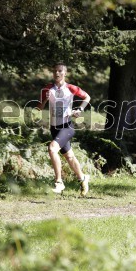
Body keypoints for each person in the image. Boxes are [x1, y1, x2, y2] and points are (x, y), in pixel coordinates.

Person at [37, 62, 91, 195]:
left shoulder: (71, 88)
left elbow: (87, 97)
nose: (57, 73)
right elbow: (39, 107)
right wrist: (45, 100)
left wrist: (80, 109)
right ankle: (83, 178)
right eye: (55, 71)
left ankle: (59, 182)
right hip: (54, 128)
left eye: (60, 71)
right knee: (70, 157)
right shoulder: (47, 89)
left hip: (67, 127)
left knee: (52, 148)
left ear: (65, 73)